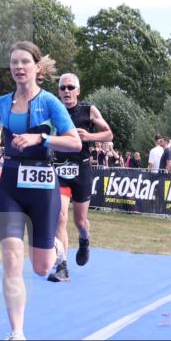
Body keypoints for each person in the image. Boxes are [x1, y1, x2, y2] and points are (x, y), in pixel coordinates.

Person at [0, 41, 81, 341]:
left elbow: (74, 142)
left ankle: (58, 248)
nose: (19, 67)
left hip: (42, 184)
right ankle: (17, 336)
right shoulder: (1, 102)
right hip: (10, 184)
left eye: (25, 61)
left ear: (37, 67)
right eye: (13, 62)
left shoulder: (50, 102)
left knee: (40, 268)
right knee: (11, 256)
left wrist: (41, 138)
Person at [48, 73, 113, 283]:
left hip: (82, 170)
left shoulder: (88, 110)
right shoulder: (53, 110)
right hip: (59, 170)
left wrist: (89, 137)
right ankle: (62, 265)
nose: (66, 91)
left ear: (78, 90)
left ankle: (84, 240)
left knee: (80, 221)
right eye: (62, 88)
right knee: (59, 216)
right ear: (58, 91)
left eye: (70, 87)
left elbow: (109, 134)